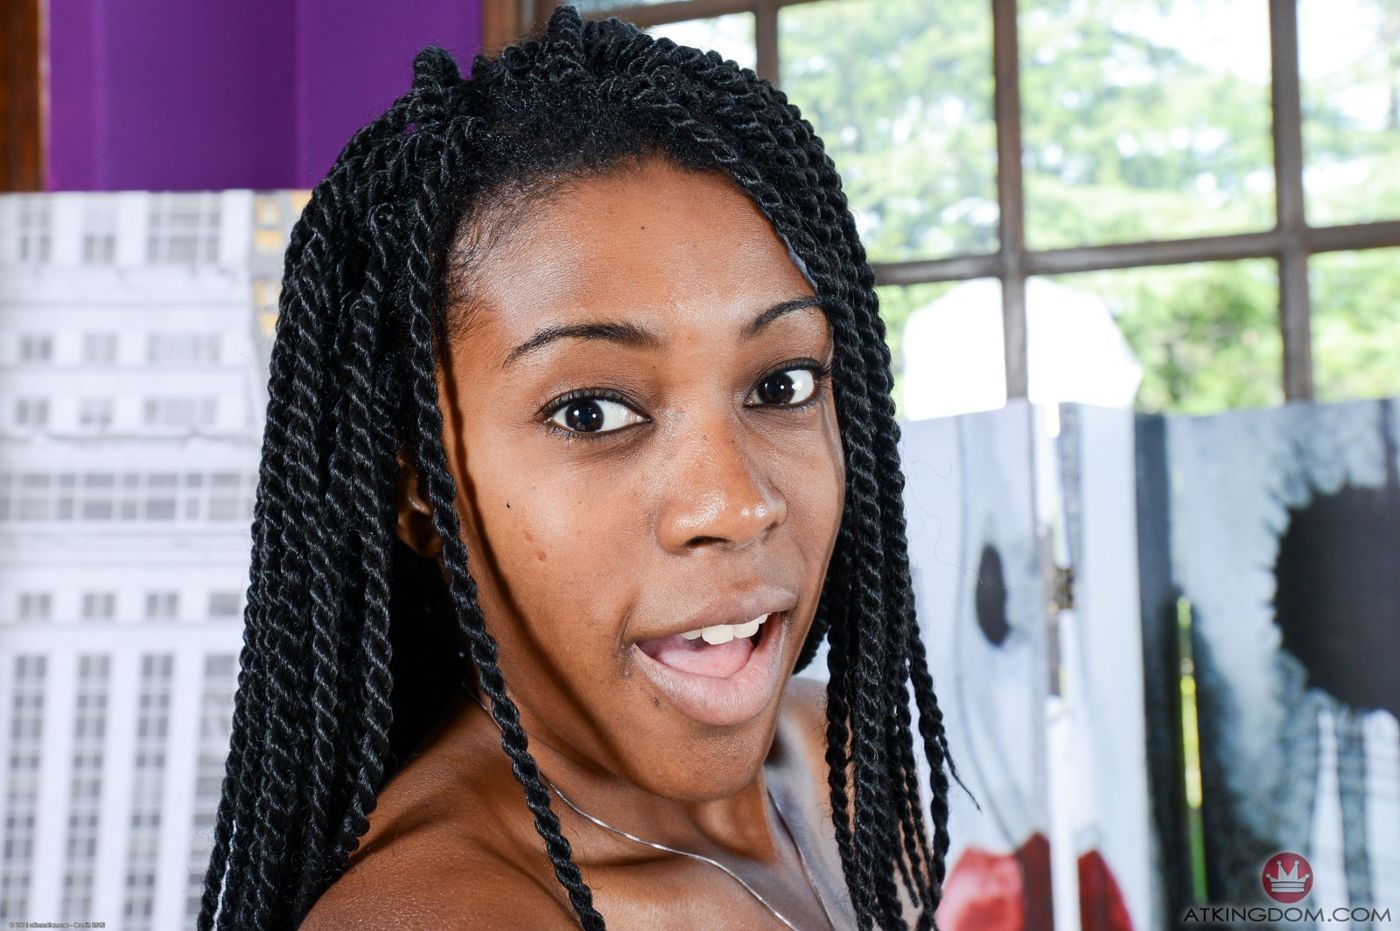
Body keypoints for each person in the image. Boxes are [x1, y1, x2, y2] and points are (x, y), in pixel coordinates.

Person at [198, 5, 964, 929]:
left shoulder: (840, 762)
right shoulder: (439, 914)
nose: (736, 503)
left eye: (782, 383)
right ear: (418, 486)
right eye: (591, 412)